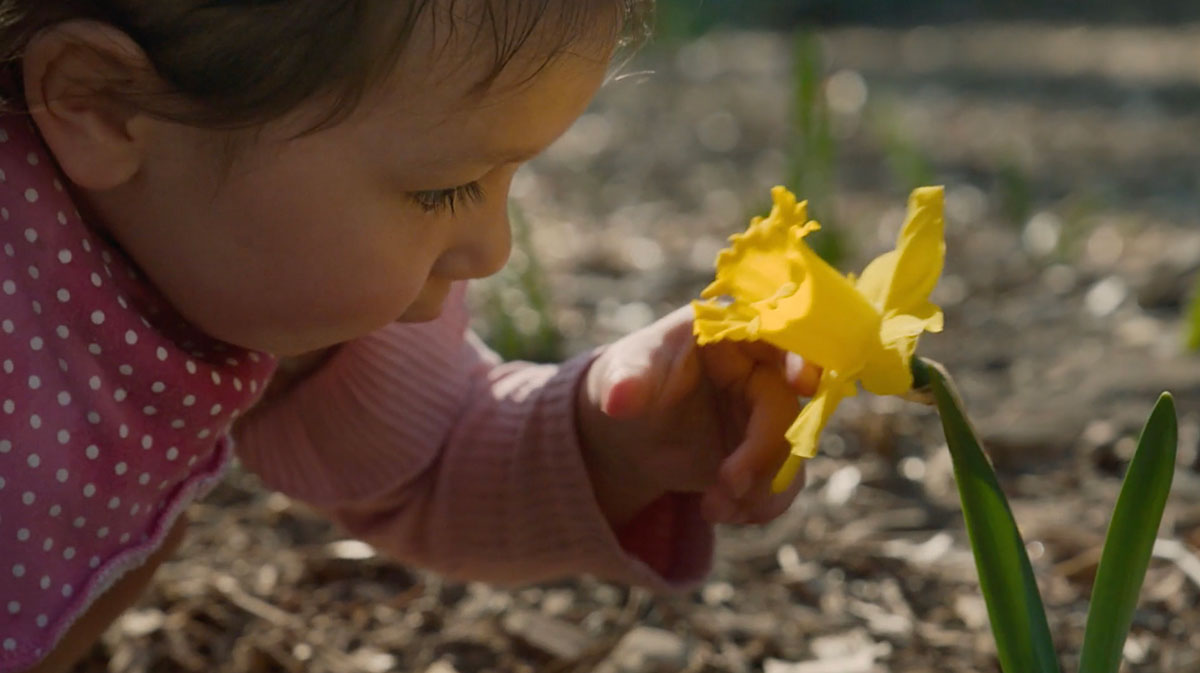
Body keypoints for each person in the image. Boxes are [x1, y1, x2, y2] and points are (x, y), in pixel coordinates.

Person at [0, 1, 818, 671]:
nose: (493, 251)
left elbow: (430, 457)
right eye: (445, 190)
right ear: (102, 106)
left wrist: (617, 437)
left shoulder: (251, 277)